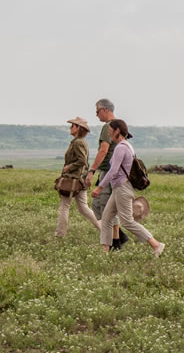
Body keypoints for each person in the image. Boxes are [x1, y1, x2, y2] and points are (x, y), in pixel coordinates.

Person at [91, 119, 165, 257]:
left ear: (117, 131)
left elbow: (113, 171)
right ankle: (104, 253)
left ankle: (156, 244)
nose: (109, 132)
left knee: (127, 222)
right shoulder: (128, 146)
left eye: (110, 130)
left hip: (122, 188)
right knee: (106, 219)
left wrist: (99, 188)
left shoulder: (120, 147)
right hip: (119, 188)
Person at [86, 99, 128, 250]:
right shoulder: (119, 125)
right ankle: (118, 238)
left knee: (106, 207)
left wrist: (91, 170)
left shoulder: (108, 127)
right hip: (113, 172)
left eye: (97, 111)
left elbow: (103, 150)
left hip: (108, 172)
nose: (96, 115)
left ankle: (115, 242)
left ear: (104, 110)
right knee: (99, 205)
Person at [55, 117, 101, 237]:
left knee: (64, 206)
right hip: (79, 181)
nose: (70, 128)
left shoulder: (78, 142)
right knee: (83, 208)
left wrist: (69, 167)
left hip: (73, 180)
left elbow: (82, 161)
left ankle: (60, 235)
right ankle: (104, 230)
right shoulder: (79, 141)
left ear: (78, 128)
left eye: (73, 126)